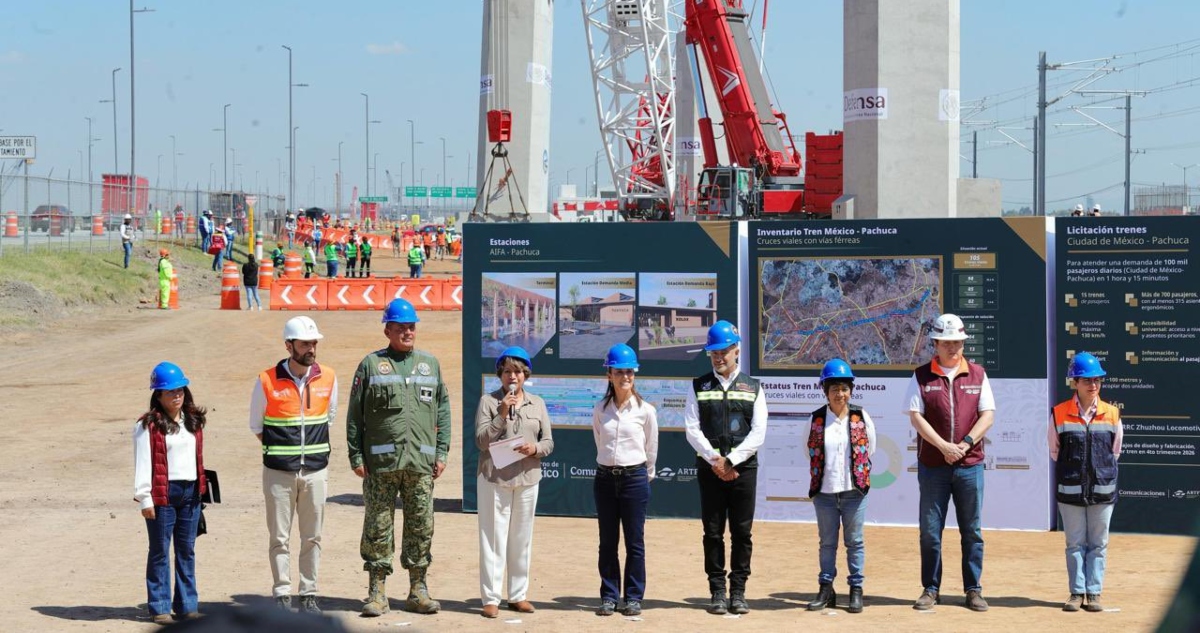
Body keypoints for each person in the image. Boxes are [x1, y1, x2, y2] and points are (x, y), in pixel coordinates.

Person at [347, 298, 451, 617]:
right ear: (387, 329)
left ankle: (417, 590)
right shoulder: (370, 365)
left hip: (420, 463)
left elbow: (443, 410)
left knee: (421, 525)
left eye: (412, 326)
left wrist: (442, 451)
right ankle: (377, 592)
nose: (408, 331)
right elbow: (355, 414)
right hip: (380, 465)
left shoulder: (429, 364)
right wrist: (355, 455)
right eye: (401, 326)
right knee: (378, 526)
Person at [906, 313, 996, 612]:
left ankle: (973, 589)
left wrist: (965, 444)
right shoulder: (921, 376)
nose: (953, 348)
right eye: (946, 343)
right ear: (935, 343)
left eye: (957, 342)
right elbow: (916, 417)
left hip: (970, 465)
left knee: (972, 531)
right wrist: (944, 446)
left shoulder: (978, 374)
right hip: (933, 465)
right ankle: (930, 589)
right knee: (930, 531)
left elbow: (988, 415)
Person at [248, 316, 338, 614]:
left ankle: (309, 592)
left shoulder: (328, 377)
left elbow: (330, 418)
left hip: (315, 471)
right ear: (289, 346)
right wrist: (284, 452)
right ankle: (282, 593)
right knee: (280, 537)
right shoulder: (266, 380)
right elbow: (257, 425)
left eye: (314, 343)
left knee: (313, 536)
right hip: (278, 472)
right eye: (305, 344)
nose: (311, 348)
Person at [684, 321, 768, 616]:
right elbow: (692, 430)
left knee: (742, 533)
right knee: (713, 533)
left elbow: (758, 433)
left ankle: (739, 591)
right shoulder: (699, 386)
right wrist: (715, 460)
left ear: (737, 350)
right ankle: (718, 591)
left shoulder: (753, 387)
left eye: (723, 351)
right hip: (710, 470)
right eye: (713, 352)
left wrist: (731, 461)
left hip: (743, 471)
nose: (718, 357)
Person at [474, 346, 554, 618]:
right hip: (494, 479)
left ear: (525, 375)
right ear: (500, 374)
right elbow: (481, 441)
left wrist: (535, 449)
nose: (513, 376)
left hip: (527, 478)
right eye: (507, 371)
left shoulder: (538, 403)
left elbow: (548, 442)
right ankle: (491, 598)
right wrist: (500, 413)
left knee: (521, 539)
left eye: (518, 371)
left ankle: (518, 595)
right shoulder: (488, 401)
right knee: (493, 539)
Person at [133, 361, 209, 625]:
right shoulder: (148, 426)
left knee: (186, 550)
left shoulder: (193, 421)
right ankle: (159, 606)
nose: (177, 395)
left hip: (190, 493)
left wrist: (201, 491)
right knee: (160, 551)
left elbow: (197, 459)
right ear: (158, 395)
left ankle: (187, 605)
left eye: (180, 390)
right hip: (163, 495)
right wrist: (145, 498)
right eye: (170, 392)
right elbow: (143, 462)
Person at [799, 359, 876, 614]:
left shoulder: (861, 416)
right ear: (825, 391)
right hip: (824, 493)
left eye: (844, 388)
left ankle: (855, 590)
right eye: (834, 389)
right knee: (827, 543)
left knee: (855, 542)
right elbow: (807, 451)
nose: (839, 394)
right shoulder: (816, 420)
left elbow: (870, 449)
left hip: (854, 492)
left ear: (851, 390)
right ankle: (826, 588)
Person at [1051, 352, 1122, 613]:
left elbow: (1115, 452)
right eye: (1086, 380)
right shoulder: (1059, 413)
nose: (1093, 385)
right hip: (1070, 493)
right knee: (1074, 544)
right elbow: (1054, 451)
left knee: (1099, 544)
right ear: (1075, 383)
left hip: (1102, 493)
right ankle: (1076, 592)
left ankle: (1094, 593)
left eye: (1097, 380)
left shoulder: (1113, 414)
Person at [592, 343, 658, 617]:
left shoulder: (646, 411)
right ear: (609, 374)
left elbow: (651, 449)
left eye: (630, 372)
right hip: (605, 479)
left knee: (635, 542)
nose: (625, 377)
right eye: (619, 372)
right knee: (607, 542)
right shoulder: (600, 409)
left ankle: (633, 596)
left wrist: (643, 475)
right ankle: (609, 595)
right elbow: (599, 440)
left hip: (634, 479)